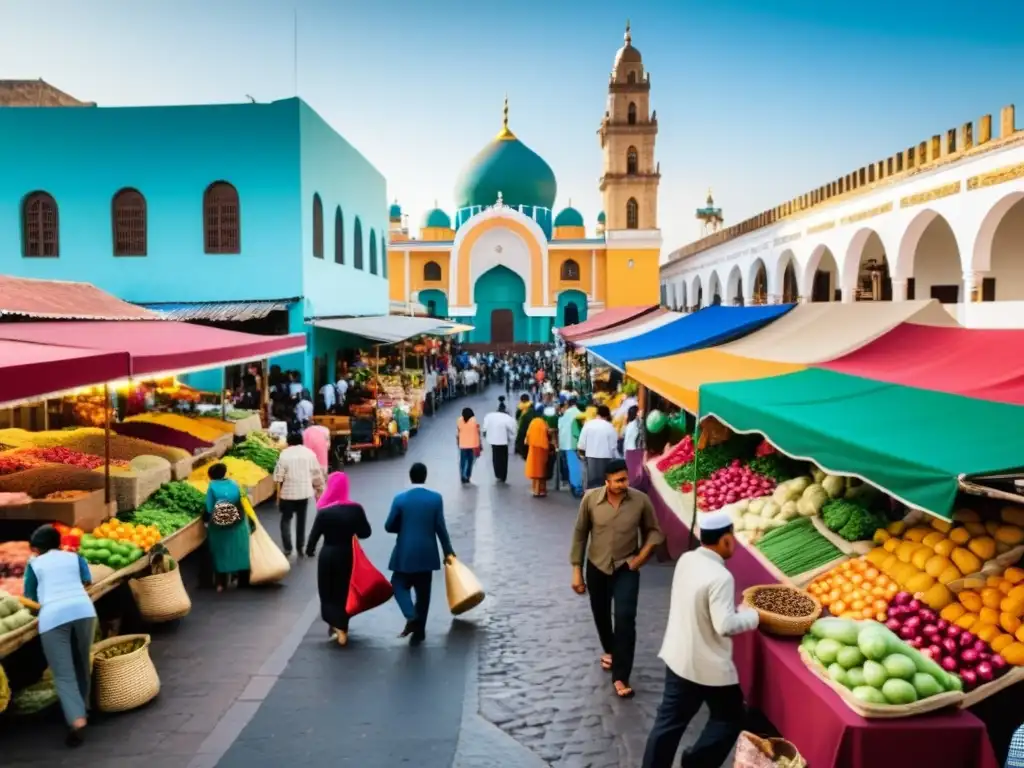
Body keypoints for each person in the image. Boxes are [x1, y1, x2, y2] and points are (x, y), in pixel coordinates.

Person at [641, 510, 759, 768]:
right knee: (729, 717)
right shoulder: (721, 577)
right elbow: (724, 625)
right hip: (707, 666)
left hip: (678, 656)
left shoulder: (687, 559)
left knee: (668, 724)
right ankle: (697, 762)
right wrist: (753, 617)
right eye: (733, 538)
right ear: (725, 539)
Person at [570, 459, 664, 699]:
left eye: (626, 479)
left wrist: (641, 558)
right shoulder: (590, 499)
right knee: (601, 614)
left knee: (624, 617)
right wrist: (576, 570)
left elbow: (654, 531)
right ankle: (611, 651)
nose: (624, 484)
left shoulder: (640, 500)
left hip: (626, 568)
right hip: (596, 566)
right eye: (618, 480)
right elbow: (580, 534)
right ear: (607, 481)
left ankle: (621, 676)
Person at [23, 524, 97, 747]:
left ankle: (77, 720)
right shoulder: (74, 557)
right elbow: (87, 580)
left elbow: (29, 596)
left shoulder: (33, 565)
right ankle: (85, 707)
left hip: (53, 618)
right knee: (82, 662)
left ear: (37, 548)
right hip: (83, 611)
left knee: (64, 674)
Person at [385, 463, 455, 645]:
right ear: (425, 476)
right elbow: (440, 527)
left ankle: (411, 615)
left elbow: (389, 525)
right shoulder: (435, 499)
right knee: (424, 594)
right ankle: (420, 631)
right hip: (427, 553)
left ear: (410, 477)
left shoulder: (400, 499)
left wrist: (403, 525)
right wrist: (448, 551)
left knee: (398, 584)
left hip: (405, 553)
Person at [306, 472, 372, 647]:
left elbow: (312, 541)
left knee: (327, 592)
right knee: (344, 591)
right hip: (347, 554)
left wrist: (310, 551)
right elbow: (366, 532)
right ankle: (343, 625)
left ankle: (335, 625)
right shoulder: (356, 509)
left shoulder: (324, 512)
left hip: (328, 555)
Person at [273, 431, 325, 558]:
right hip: (304, 493)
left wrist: (277, 492)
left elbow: (278, 476)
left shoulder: (284, 454)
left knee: (286, 520)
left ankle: (287, 548)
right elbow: (316, 473)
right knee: (301, 520)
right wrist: (319, 487)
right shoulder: (309, 454)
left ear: (289, 442)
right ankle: (300, 546)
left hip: (287, 494)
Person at [203, 462, 253, 592]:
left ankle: (221, 584)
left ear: (211, 476)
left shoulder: (212, 487)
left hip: (220, 527)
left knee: (221, 552)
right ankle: (243, 581)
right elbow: (244, 500)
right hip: (238, 523)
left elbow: (209, 507)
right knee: (240, 550)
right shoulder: (235, 484)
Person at [577, 404, 620, 489]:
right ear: (607, 415)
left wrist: (582, 456)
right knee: (603, 484)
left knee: (591, 483)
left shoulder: (588, 424)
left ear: (597, 413)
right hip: (606, 458)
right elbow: (613, 446)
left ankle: (590, 498)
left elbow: (582, 443)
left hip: (590, 457)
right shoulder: (610, 427)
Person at [482, 397, 517, 483]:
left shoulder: (489, 416)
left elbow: (484, 429)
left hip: (493, 441)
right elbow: (514, 429)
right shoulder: (507, 418)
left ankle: (497, 474)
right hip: (503, 441)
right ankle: (503, 475)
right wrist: (512, 439)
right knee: (504, 459)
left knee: (495, 458)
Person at [557, 396, 583, 496]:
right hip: (577, 443)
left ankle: (574, 485)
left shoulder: (565, 414)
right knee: (577, 465)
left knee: (571, 465)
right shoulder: (580, 414)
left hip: (566, 443)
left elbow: (559, 427)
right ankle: (578, 486)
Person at [524, 407, 551, 498]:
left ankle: (535, 490)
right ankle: (541, 490)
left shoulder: (533, 422)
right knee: (541, 470)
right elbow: (548, 433)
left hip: (533, 448)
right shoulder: (543, 423)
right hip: (542, 448)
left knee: (534, 469)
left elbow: (527, 435)